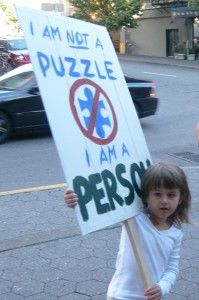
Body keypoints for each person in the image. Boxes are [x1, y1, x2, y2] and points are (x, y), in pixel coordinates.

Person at [64, 162, 191, 300]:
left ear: (181, 198)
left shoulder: (176, 234)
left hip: (150, 297)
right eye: (157, 194)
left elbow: (172, 269)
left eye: (171, 195)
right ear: (146, 196)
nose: (164, 201)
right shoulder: (134, 218)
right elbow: (101, 206)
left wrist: (162, 287)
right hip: (121, 295)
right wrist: (76, 200)